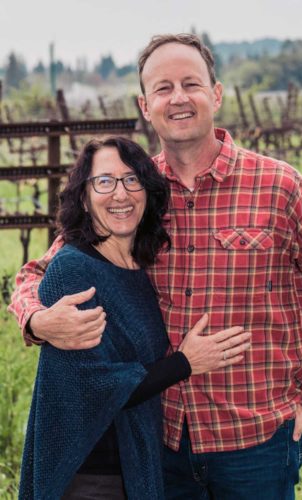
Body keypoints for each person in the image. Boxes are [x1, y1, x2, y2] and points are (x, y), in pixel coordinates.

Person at [9, 34, 302, 499]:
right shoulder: (134, 193)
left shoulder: (280, 187)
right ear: (145, 105)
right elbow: (37, 272)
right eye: (163, 88)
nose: (178, 98)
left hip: (256, 441)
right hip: (160, 443)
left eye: (191, 84)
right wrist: (38, 320)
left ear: (215, 94)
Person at [17, 136, 250, 500]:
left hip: (134, 463)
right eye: (104, 181)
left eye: (131, 180)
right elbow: (98, 383)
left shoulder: (140, 267)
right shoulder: (73, 269)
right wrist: (186, 363)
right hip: (89, 473)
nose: (120, 194)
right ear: (84, 195)